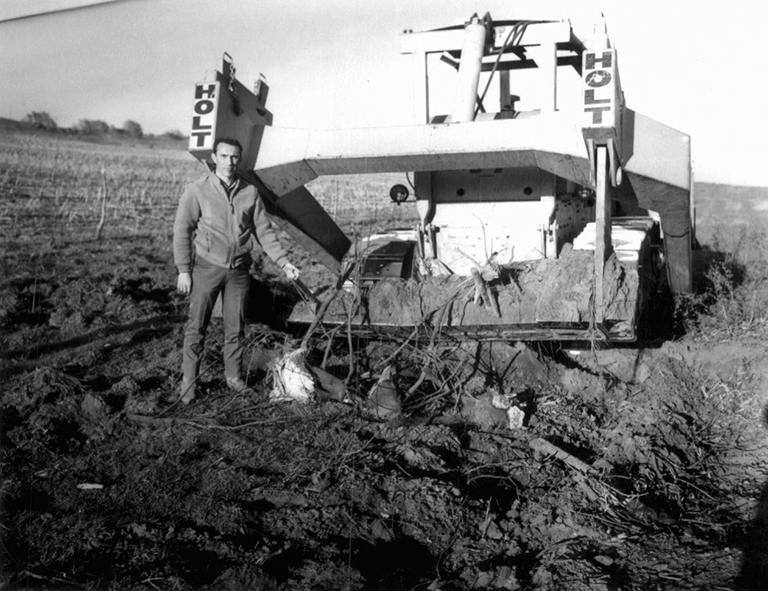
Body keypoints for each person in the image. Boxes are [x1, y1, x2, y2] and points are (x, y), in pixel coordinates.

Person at [173, 137, 300, 404]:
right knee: (197, 327)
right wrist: (184, 269)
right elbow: (182, 231)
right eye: (224, 156)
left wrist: (284, 262)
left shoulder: (249, 192)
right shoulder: (196, 190)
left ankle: (234, 379)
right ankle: (189, 383)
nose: (230, 162)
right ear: (214, 157)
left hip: (239, 270)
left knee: (237, 328)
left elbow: (264, 231)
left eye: (234, 157)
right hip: (207, 268)